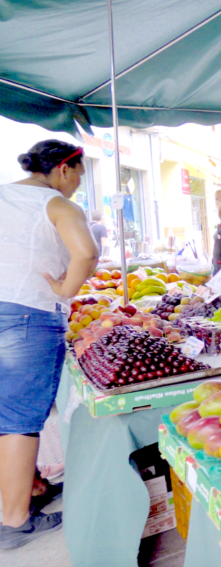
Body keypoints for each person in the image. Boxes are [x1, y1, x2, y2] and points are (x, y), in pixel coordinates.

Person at [0, 140, 98, 549]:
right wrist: (64, 289)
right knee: (21, 420)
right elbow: (87, 253)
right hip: (28, 316)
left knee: (5, 410)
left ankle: (30, 488)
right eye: (78, 174)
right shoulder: (56, 203)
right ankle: (14, 520)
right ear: (62, 168)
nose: (77, 184)